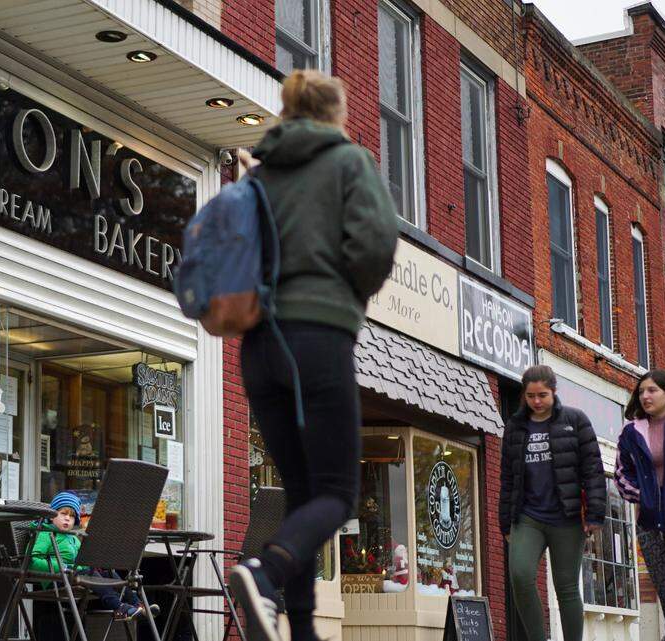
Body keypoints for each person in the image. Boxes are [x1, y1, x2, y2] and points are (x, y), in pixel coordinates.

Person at [226, 69, 398, 641]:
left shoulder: (262, 170)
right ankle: (263, 570)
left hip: (258, 347)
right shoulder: (350, 162)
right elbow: (374, 246)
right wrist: (344, 295)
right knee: (338, 492)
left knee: (303, 495)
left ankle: (301, 631)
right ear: (336, 112)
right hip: (317, 340)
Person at [499, 365, 605, 641]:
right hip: (527, 517)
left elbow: (592, 470)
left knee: (566, 586)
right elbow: (507, 477)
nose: (536, 401)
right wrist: (505, 522)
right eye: (531, 395)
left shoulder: (575, 420)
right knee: (520, 576)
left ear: (554, 393)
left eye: (542, 395)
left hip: (567, 517)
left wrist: (595, 515)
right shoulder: (514, 428)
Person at [29, 491, 154, 620]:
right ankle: (119, 607)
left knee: (108, 573)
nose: (67, 518)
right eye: (63, 513)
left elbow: (83, 559)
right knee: (89, 572)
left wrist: (93, 563)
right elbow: (32, 561)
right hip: (56, 580)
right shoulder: (45, 534)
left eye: (72, 516)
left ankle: (138, 604)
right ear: (51, 516)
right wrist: (65, 567)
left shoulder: (72, 537)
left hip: (74, 576)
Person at [615, 370, 665, 640]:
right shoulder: (631, 432)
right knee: (664, 587)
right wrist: (643, 495)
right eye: (641, 392)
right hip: (648, 523)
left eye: (652, 390)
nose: (645, 396)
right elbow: (621, 473)